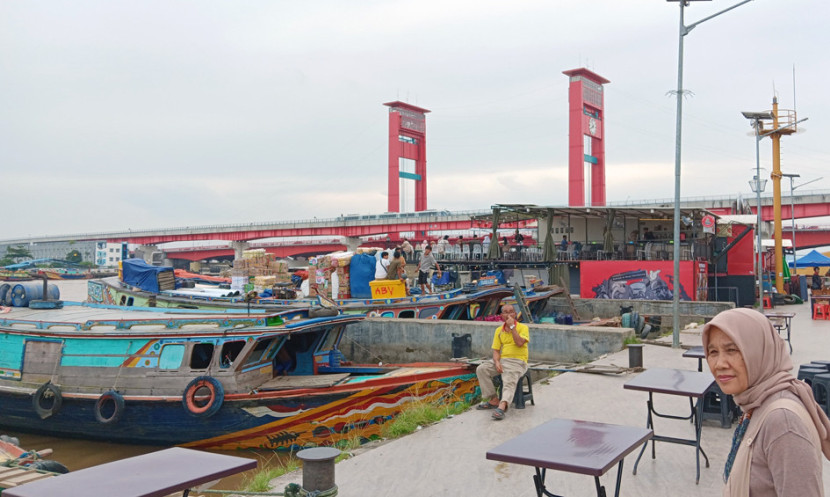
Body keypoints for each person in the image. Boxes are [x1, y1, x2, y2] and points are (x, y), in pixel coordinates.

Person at [703, 308, 830, 495]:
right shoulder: (756, 402)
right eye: (713, 352)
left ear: (758, 350)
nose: (720, 363)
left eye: (732, 350)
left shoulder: (783, 422)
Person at [475, 305, 529, 421]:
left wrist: (512, 327)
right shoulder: (499, 330)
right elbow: (496, 350)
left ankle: (502, 406)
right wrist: (497, 362)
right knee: (481, 369)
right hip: (502, 360)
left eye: (511, 312)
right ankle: (493, 399)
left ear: (515, 314)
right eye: (505, 312)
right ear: (501, 316)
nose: (508, 314)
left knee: (509, 378)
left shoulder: (523, 328)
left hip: (517, 361)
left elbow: (519, 343)